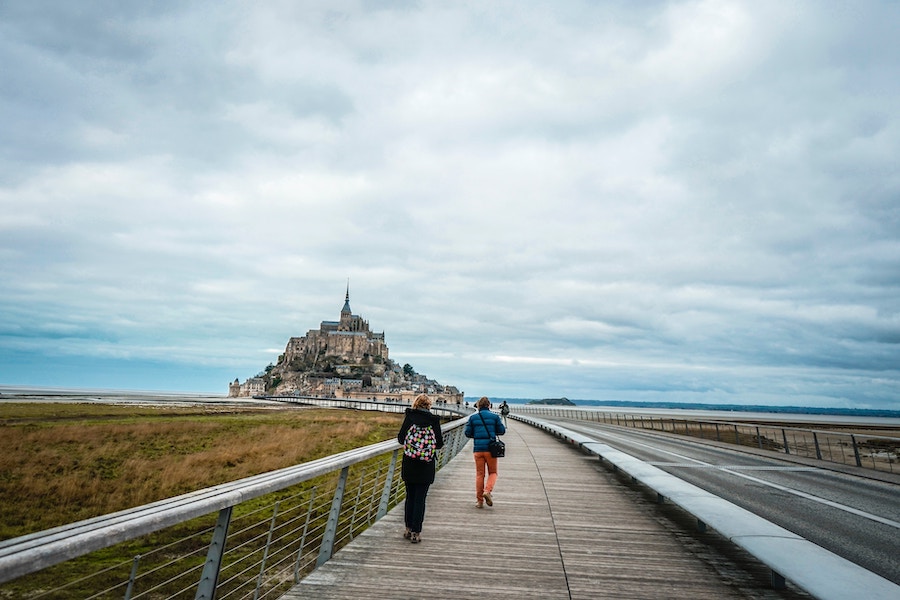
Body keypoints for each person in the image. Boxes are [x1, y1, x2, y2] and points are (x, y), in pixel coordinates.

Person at [397, 393, 444, 543]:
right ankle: (416, 532)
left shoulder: (410, 417)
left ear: (415, 403)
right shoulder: (433, 420)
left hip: (410, 463)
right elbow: (439, 443)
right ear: (429, 405)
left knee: (409, 497)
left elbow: (400, 438)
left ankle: (408, 528)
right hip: (426, 465)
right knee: (420, 500)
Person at [464, 396, 506, 508]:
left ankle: (479, 501)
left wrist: (477, 435)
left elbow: (467, 433)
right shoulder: (495, 417)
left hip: (478, 449)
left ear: (478, 406)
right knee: (493, 472)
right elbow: (502, 431)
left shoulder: (473, 418)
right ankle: (487, 491)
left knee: (479, 474)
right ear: (489, 405)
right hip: (491, 449)